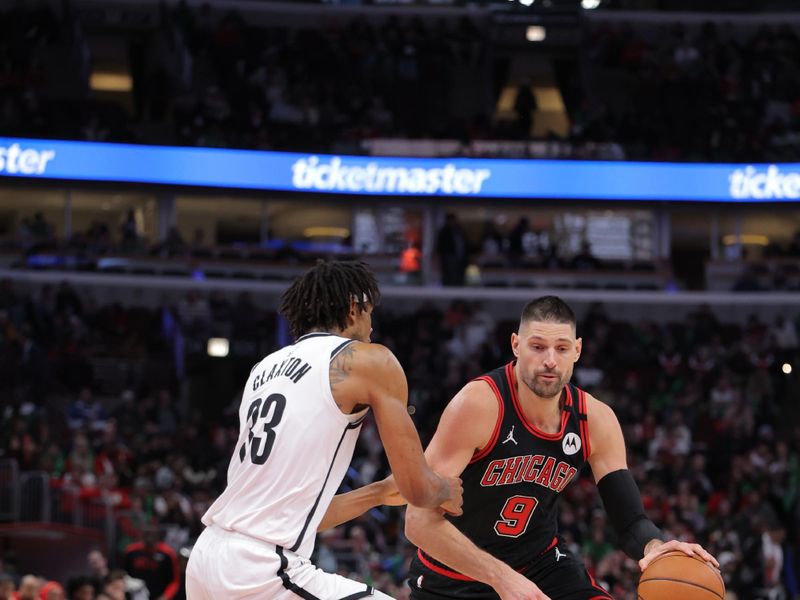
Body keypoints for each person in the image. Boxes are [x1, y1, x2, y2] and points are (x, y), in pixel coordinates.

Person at [404, 296, 719, 599]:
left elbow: (631, 520)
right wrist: (501, 578)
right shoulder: (478, 405)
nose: (550, 361)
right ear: (515, 344)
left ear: (578, 350)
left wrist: (656, 548)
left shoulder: (594, 418)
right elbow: (417, 522)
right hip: (453, 576)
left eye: (562, 348)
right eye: (537, 347)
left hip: (539, 565)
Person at [187, 260, 462, 599]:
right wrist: (444, 490)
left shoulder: (264, 369)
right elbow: (419, 490)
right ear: (354, 308)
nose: (372, 326)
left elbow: (294, 516)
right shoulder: (369, 360)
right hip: (260, 568)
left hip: (207, 557)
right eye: (370, 312)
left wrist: (375, 493)